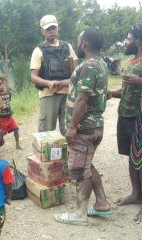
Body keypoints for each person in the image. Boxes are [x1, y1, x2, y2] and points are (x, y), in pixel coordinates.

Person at [54, 27, 113, 226]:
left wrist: (72, 127)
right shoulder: (99, 64)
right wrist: (60, 83)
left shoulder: (89, 66)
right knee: (86, 164)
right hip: (93, 126)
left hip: (84, 128)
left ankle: (80, 214)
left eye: (79, 41)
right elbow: (79, 84)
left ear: (85, 43)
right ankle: (102, 203)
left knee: (79, 171)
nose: (78, 44)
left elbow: (82, 98)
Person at [108, 24, 142, 210]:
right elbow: (127, 89)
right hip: (125, 115)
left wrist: (140, 81)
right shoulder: (131, 62)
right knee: (132, 155)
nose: (125, 42)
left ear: (137, 41)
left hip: (139, 118)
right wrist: (113, 93)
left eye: (128, 39)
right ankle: (136, 193)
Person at [30, 15, 78, 135]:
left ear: (57, 29)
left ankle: (68, 153)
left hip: (67, 93)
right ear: (42, 31)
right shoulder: (38, 50)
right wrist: (48, 83)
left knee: (68, 129)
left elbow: (76, 70)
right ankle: (46, 154)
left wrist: (67, 81)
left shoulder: (67, 46)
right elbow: (33, 77)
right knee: (46, 131)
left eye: (54, 28)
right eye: (48, 29)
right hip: (48, 94)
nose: (51, 31)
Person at [0, 76, 22, 149]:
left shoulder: (8, 92)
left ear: (4, 83)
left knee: (16, 129)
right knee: (1, 134)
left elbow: (9, 101)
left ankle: (17, 145)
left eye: (0, 84)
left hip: (9, 116)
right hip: (1, 118)